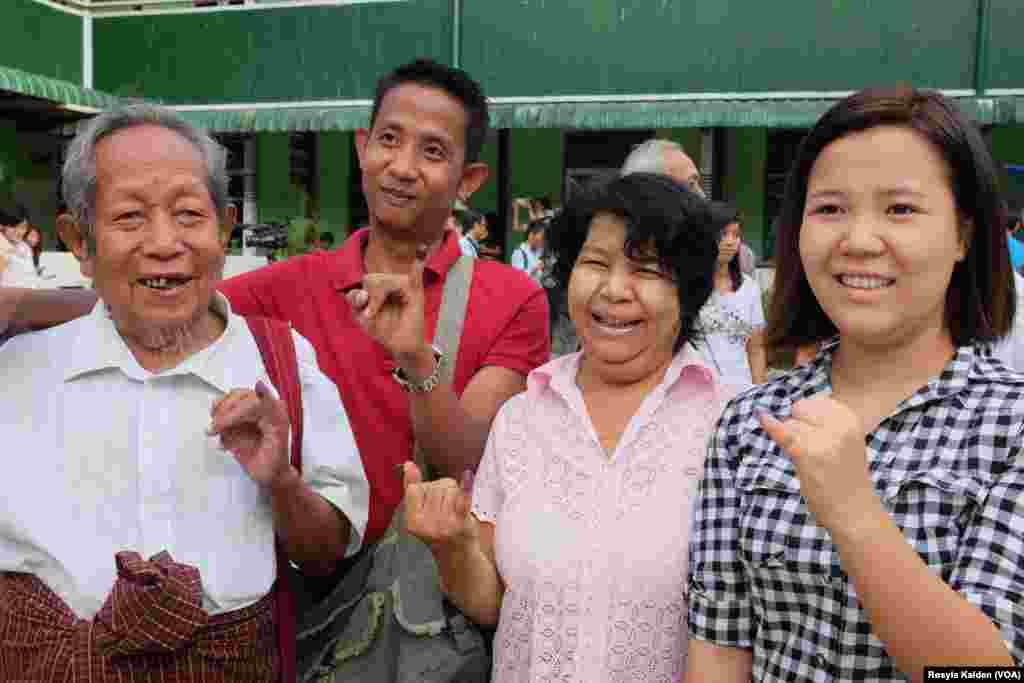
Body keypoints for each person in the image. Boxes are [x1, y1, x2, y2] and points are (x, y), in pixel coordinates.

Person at [0, 59, 550, 546]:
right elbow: (162, 301)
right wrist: (21, 305)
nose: (403, 166)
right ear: (362, 147)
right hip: (313, 594)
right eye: (389, 139)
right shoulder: (287, 286)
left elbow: (468, 460)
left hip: (431, 595)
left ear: (470, 179)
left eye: (432, 151)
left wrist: (415, 359)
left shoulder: (513, 299)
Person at [0, 103, 369, 680]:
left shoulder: (281, 364)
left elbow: (327, 553)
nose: (165, 242)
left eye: (189, 214)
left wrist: (282, 482)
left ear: (223, 230)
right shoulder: (16, 372)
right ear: (79, 240)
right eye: (129, 217)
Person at [687, 87, 1023, 683]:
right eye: (830, 209)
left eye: (900, 209)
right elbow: (720, 649)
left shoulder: (1012, 427)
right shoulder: (749, 422)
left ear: (964, 236)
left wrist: (855, 514)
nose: (859, 240)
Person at [403, 173, 735, 682]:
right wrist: (449, 546)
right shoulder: (523, 417)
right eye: (596, 263)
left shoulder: (727, 424)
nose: (613, 290)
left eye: (646, 270)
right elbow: (491, 600)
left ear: (687, 293)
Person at [697, 205, 768, 387]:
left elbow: (756, 349)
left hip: (740, 395)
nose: (730, 241)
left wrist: (758, 393)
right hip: (696, 395)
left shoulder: (749, 288)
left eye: (735, 235)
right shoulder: (689, 286)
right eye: (722, 235)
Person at [0, 206, 45, 288]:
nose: (19, 231)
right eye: (13, 227)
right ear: (2, 226)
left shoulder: (24, 247)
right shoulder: (3, 245)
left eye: (23, 227)